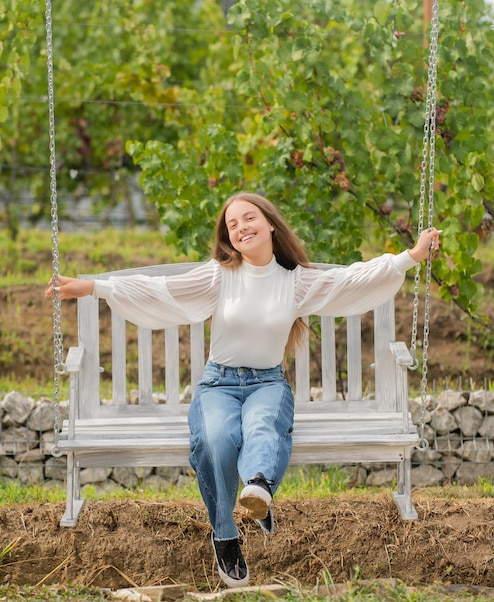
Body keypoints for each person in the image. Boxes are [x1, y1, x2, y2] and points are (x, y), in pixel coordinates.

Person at [45, 192, 441, 588]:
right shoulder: (220, 275)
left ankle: (258, 488)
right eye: (232, 225)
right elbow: (161, 290)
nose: (241, 228)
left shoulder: (297, 282)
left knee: (261, 424)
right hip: (219, 383)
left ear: (270, 224)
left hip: (267, 382)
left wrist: (411, 255)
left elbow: (354, 278)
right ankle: (225, 533)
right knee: (217, 439)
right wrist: (93, 287)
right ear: (228, 237)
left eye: (248, 218)